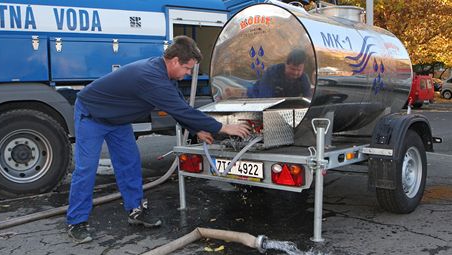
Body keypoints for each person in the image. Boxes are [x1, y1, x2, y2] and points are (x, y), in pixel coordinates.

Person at [66, 36, 250, 244]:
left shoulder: (164, 75)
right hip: (92, 115)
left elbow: (179, 105)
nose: (188, 74)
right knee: (86, 169)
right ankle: (76, 222)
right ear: (174, 62)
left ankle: (136, 211)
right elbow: (179, 109)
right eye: (188, 69)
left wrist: (197, 129)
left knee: (130, 162)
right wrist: (224, 127)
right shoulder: (150, 77)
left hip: (118, 120)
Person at [247, 49, 312, 98]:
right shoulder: (272, 72)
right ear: (286, 64)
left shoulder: (304, 79)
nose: (295, 72)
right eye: (292, 69)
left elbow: (307, 97)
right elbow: (264, 97)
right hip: (258, 96)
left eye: (299, 70)